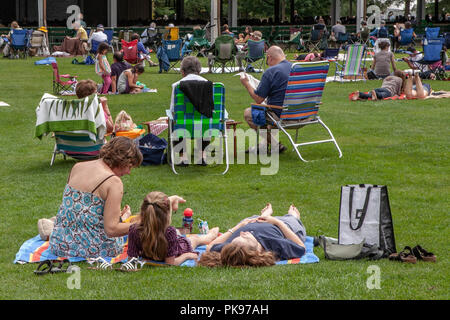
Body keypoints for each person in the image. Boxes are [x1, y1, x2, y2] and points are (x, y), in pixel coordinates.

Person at [48, 136, 143, 259]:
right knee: (125, 236)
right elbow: (112, 229)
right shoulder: (113, 182)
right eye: (129, 167)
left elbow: (84, 210)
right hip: (90, 248)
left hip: (59, 243)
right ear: (122, 160)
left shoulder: (78, 166)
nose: (129, 172)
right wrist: (144, 224)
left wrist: (121, 217)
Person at [126, 191, 220, 268]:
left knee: (192, 237)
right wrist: (186, 256)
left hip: (166, 247)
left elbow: (131, 259)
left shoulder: (134, 229)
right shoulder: (169, 231)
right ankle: (212, 234)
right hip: (181, 248)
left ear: (142, 211)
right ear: (167, 214)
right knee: (196, 239)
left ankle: (210, 235)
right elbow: (170, 263)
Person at [198, 203, 306, 267]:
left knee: (249, 219)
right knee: (294, 223)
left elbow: (209, 247)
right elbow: (301, 246)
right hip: (282, 226)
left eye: (238, 236)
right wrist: (277, 222)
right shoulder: (274, 245)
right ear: (256, 251)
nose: (242, 233)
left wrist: (237, 227)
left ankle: (263, 216)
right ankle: (292, 216)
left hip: (251, 221)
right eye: (245, 237)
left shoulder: (233, 250)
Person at [241, 46, 290, 154]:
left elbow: (258, 99)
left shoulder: (271, 71)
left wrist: (247, 84)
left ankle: (275, 145)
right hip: (304, 113)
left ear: (269, 57)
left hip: (282, 115)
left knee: (249, 113)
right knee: (265, 111)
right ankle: (263, 145)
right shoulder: (297, 67)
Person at [169, 56, 211, 166]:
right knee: (204, 119)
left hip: (183, 127)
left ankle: (183, 158)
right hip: (204, 126)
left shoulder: (177, 86)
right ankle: (202, 156)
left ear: (182, 72)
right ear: (199, 70)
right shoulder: (209, 85)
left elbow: (173, 110)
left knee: (177, 120)